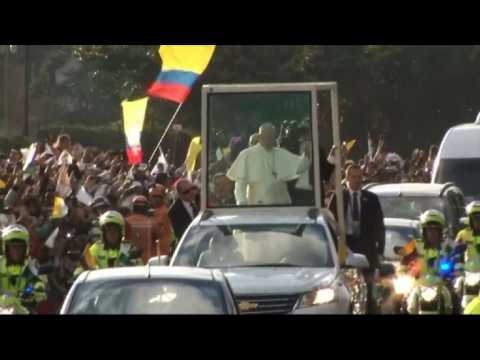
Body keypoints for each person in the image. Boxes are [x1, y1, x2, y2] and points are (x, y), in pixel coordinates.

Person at [328, 164, 385, 314]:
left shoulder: (371, 199)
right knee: (346, 291)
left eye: (359, 177)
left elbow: (380, 226)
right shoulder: (339, 197)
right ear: (347, 178)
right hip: (346, 249)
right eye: (353, 177)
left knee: (371, 290)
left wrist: (380, 250)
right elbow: (330, 222)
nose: (357, 180)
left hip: (367, 250)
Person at [227, 123, 311, 206]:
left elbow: (299, 168)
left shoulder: (281, 153)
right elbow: (240, 183)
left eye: (271, 136)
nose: (269, 138)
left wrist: (307, 156)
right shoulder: (247, 155)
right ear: (260, 137)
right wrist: (242, 202)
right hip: (257, 207)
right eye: (266, 136)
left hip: (281, 205)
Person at [397, 210, 454, 314]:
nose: (432, 234)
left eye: (435, 231)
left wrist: (452, 272)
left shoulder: (447, 246)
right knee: (400, 300)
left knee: (452, 300)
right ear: (423, 231)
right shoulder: (413, 244)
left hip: (441, 285)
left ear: (441, 231)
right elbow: (402, 260)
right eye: (429, 230)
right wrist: (402, 273)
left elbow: (456, 260)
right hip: (416, 284)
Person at [0, 225, 47, 313]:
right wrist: (7, 297)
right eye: (13, 247)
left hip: (23, 309)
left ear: (26, 248)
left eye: (20, 247)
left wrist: (31, 292)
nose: (16, 251)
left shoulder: (31, 265)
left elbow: (38, 284)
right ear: (5, 247)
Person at [78, 211, 142, 272]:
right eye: (108, 230)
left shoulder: (129, 249)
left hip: (125, 282)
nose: (111, 233)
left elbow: (140, 270)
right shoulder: (96, 248)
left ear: (120, 232)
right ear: (103, 233)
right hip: (101, 282)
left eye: (114, 230)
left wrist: (130, 262)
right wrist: (78, 273)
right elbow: (83, 268)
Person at [125, 196, 163, 264]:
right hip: (148, 262)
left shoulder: (125, 222)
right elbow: (161, 237)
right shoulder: (152, 222)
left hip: (127, 261)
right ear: (146, 208)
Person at [149, 185, 174, 256]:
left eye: (158, 197)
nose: (155, 199)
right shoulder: (153, 212)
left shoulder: (164, 212)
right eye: (153, 197)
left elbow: (157, 232)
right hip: (155, 250)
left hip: (162, 250)